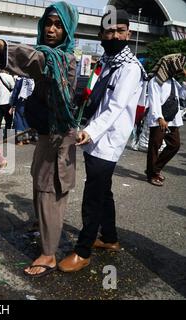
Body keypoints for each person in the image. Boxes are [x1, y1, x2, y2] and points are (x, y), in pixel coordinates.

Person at [0, 1, 79, 277]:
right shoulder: (49, 54)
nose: (52, 29)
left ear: (68, 30)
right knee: (40, 185)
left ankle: (49, 254)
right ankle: (43, 231)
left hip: (58, 139)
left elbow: (34, 60)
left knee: (50, 192)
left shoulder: (61, 59)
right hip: (46, 135)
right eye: (48, 23)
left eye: (58, 25)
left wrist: (0, 45)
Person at [58, 9, 147, 272]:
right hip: (94, 136)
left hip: (107, 139)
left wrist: (91, 131)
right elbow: (92, 97)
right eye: (110, 31)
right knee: (103, 190)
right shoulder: (106, 62)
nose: (115, 35)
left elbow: (116, 107)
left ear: (129, 34)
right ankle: (110, 238)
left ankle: (82, 251)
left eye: (120, 31)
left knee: (93, 195)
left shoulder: (129, 68)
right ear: (101, 34)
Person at [146, 54, 186, 187]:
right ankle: (152, 174)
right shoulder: (155, 81)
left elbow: (182, 95)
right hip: (160, 119)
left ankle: (154, 169)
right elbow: (154, 100)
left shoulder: (173, 81)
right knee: (155, 146)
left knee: (175, 145)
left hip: (173, 119)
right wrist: (159, 117)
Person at [0, 68, 15, 140]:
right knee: (8, 120)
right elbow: (13, 87)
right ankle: (7, 137)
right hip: (7, 102)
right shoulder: (9, 77)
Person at [10, 77, 34, 145]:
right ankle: (27, 138)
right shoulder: (32, 80)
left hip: (20, 102)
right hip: (30, 102)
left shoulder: (20, 80)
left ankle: (20, 140)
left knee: (19, 120)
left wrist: (13, 104)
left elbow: (15, 92)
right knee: (26, 120)